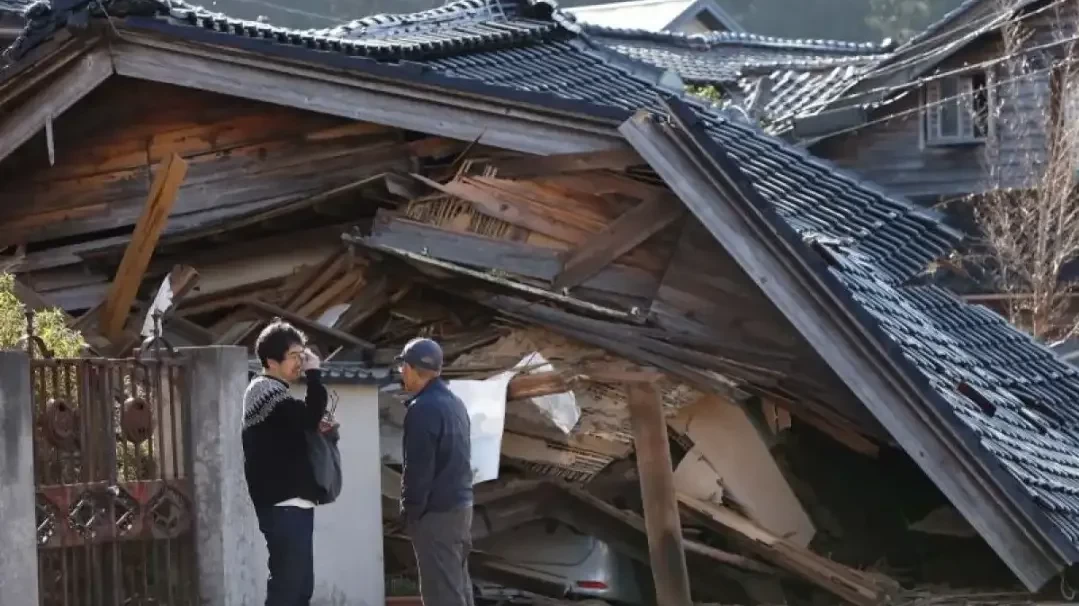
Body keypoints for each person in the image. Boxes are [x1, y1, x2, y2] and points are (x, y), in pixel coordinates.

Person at [243, 320, 326, 606]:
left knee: (301, 588)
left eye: (302, 356)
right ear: (271, 360)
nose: (300, 363)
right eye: (294, 356)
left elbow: (304, 421)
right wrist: (315, 375)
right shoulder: (264, 391)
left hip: (294, 505)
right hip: (283, 506)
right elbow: (309, 416)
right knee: (287, 589)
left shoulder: (277, 393)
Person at [397, 337, 475, 606]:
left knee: (442, 595)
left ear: (408, 368)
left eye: (402, 367)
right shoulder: (455, 404)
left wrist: (411, 511)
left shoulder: (422, 409)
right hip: (461, 509)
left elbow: (418, 470)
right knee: (458, 588)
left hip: (436, 515)